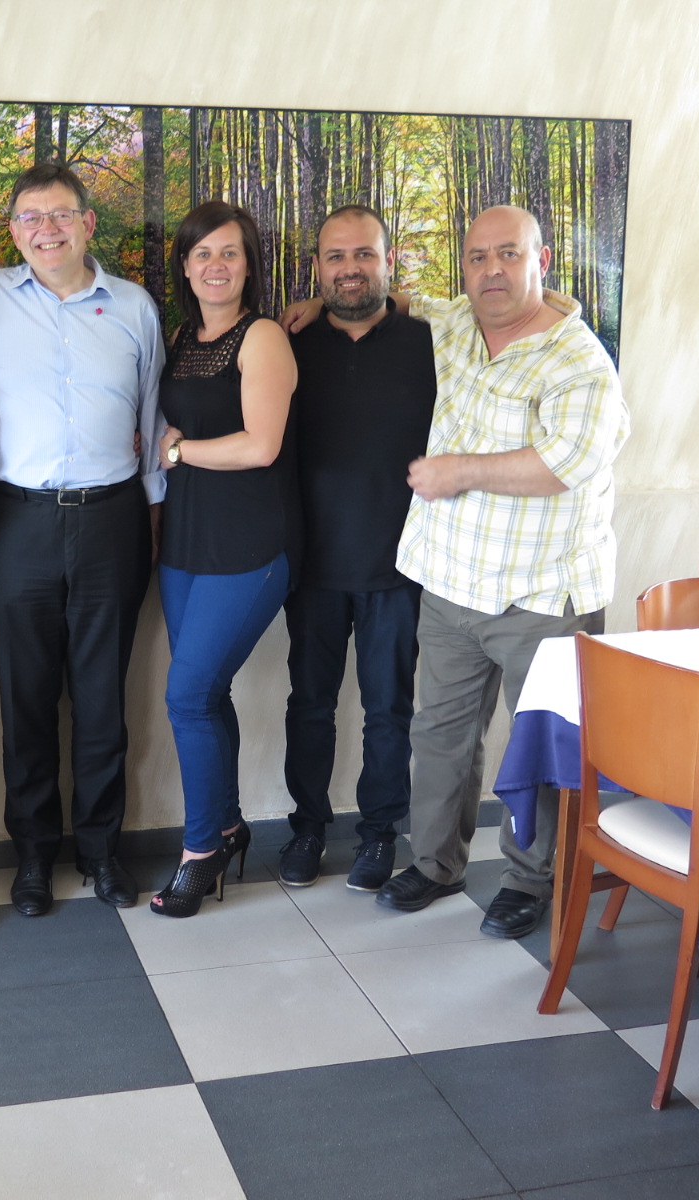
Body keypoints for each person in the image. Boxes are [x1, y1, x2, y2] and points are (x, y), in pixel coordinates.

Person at [369, 205, 627, 936]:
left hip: (541, 594)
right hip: (451, 579)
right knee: (440, 735)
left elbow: (565, 464)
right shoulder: (456, 323)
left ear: (540, 260)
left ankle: (529, 878)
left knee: (537, 744)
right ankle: (435, 864)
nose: (491, 270)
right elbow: (405, 302)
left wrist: (460, 470)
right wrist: (318, 308)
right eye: (478, 257)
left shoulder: (578, 361)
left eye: (508, 254)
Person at [0, 164, 165, 915]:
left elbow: (153, 416)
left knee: (104, 698)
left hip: (113, 518)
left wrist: (151, 520)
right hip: (19, 522)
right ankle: (34, 857)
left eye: (62, 214)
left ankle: (103, 851)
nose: (47, 229)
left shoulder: (133, 306)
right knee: (28, 699)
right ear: (14, 231)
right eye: (31, 217)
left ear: (87, 224)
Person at [278, 205, 436, 892]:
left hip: (398, 565)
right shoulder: (288, 344)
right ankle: (307, 829)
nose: (350, 269)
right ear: (317, 267)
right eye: (336, 257)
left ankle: (379, 835)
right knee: (309, 706)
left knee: (388, 712)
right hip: (311, 563)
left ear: (388, 261)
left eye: (364, 255)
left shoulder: (429, 340)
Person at [150, 200, 297, 918]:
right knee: (206, 695)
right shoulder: (181, 336)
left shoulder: (262, 336)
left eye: (229, 253)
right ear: (185, 266)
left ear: (249, 265)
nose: (215, 265)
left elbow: (261, 445)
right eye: (202, 253)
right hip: (184, 542)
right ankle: (231, 826)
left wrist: (179, 451)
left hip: (247, 546)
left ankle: (201, 851)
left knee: (186, 697)